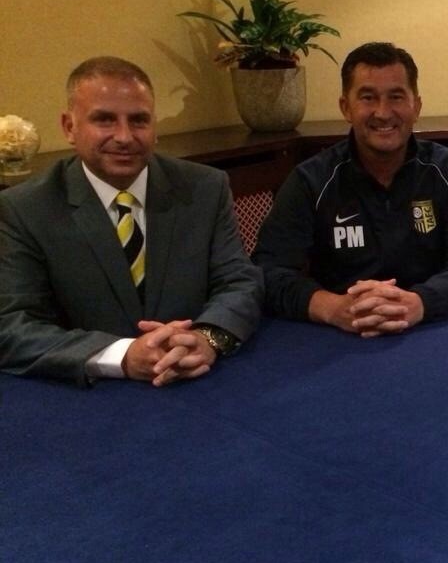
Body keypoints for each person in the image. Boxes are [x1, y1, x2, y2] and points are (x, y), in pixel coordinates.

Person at [0, 56, 264, 386]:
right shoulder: (25, 208)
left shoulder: (205, 188)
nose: (124, 137)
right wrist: (121, 356)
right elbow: (11, 325)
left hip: (198, 382)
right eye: (105, 120)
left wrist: (207, 339)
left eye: (139, 121)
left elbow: (240, 281)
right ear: (69, 127)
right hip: (89, 400)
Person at [253, 41, 448, 337]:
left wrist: (419, 303)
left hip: (430, 326)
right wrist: (334, 308)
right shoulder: (310, 181)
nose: (383, 112)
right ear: (346, 107)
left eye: (396, 97)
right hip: (338, 336)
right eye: (368, 97)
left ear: (416, 106)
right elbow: (267, 272)